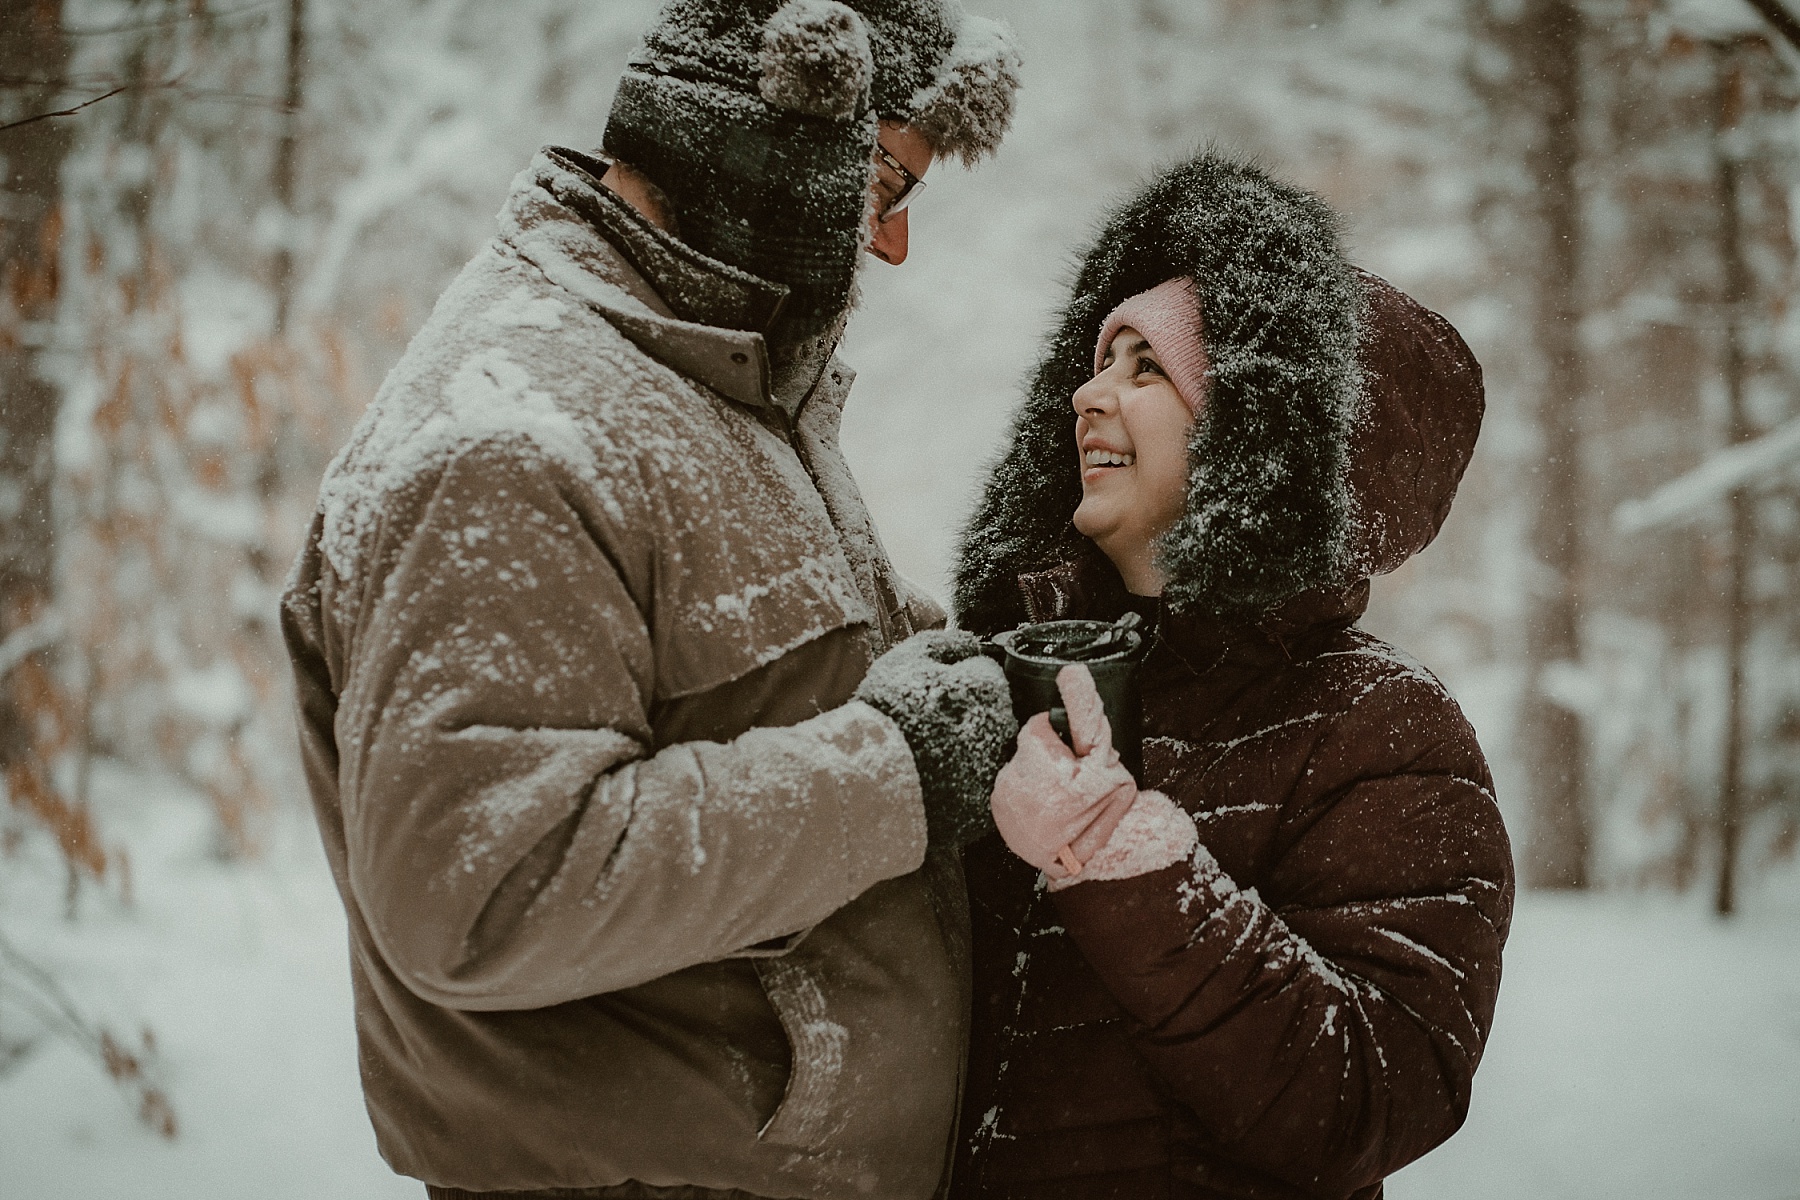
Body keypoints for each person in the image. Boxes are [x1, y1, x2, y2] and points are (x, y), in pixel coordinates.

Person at [279, 3, 1022, 1198]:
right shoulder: (516, 437)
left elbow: (751, 681)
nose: (887, 246)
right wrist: (895, 770)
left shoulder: (705, 376)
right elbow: (483, 890)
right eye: (883, 182)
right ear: (776, 131)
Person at [949, 151, 1516, 1200]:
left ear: (1260, 444)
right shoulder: (1008, 683)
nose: (1087, 392)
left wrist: (1124, 865)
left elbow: (1373, 1097)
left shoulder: (1385, 729)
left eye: (1145, 368)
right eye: (1097, 356)